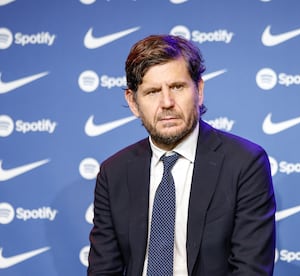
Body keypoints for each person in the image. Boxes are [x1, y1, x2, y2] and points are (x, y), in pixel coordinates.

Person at [88, 34, 276, 276]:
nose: (167, 102)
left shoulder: (244, 163)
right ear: (133, 102)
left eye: (177, 87)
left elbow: (250, 270)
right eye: (153, 92)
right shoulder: (113, 172)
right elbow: (104, 270)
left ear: (199, 90)